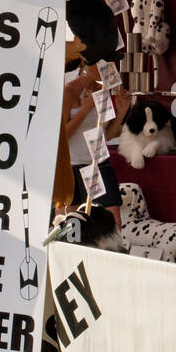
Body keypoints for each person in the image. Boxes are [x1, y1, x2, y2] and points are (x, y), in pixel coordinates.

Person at [61, 62, 129, 229]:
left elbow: (107, 134)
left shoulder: (103, 91)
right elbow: (61, 136)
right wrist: (85, 110)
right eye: (102, 64)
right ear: (86, 65)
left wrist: (121, 113)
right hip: (71, 168)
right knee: (70, 226)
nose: (109, 68)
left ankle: (108, 254)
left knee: (112, 224)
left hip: (97, 166)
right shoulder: (68, 91)